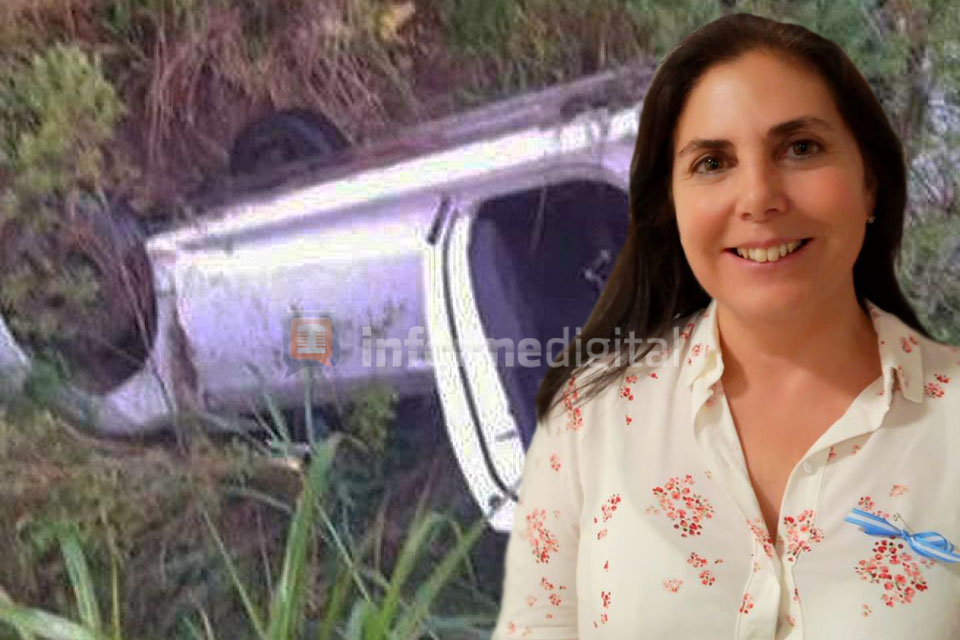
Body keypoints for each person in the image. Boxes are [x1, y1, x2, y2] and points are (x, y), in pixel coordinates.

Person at [492, 12, 960, 639]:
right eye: (712, 162)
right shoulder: (590, 423)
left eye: (801, 148)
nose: (759, 197)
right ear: (670, 204)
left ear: (869, 182)